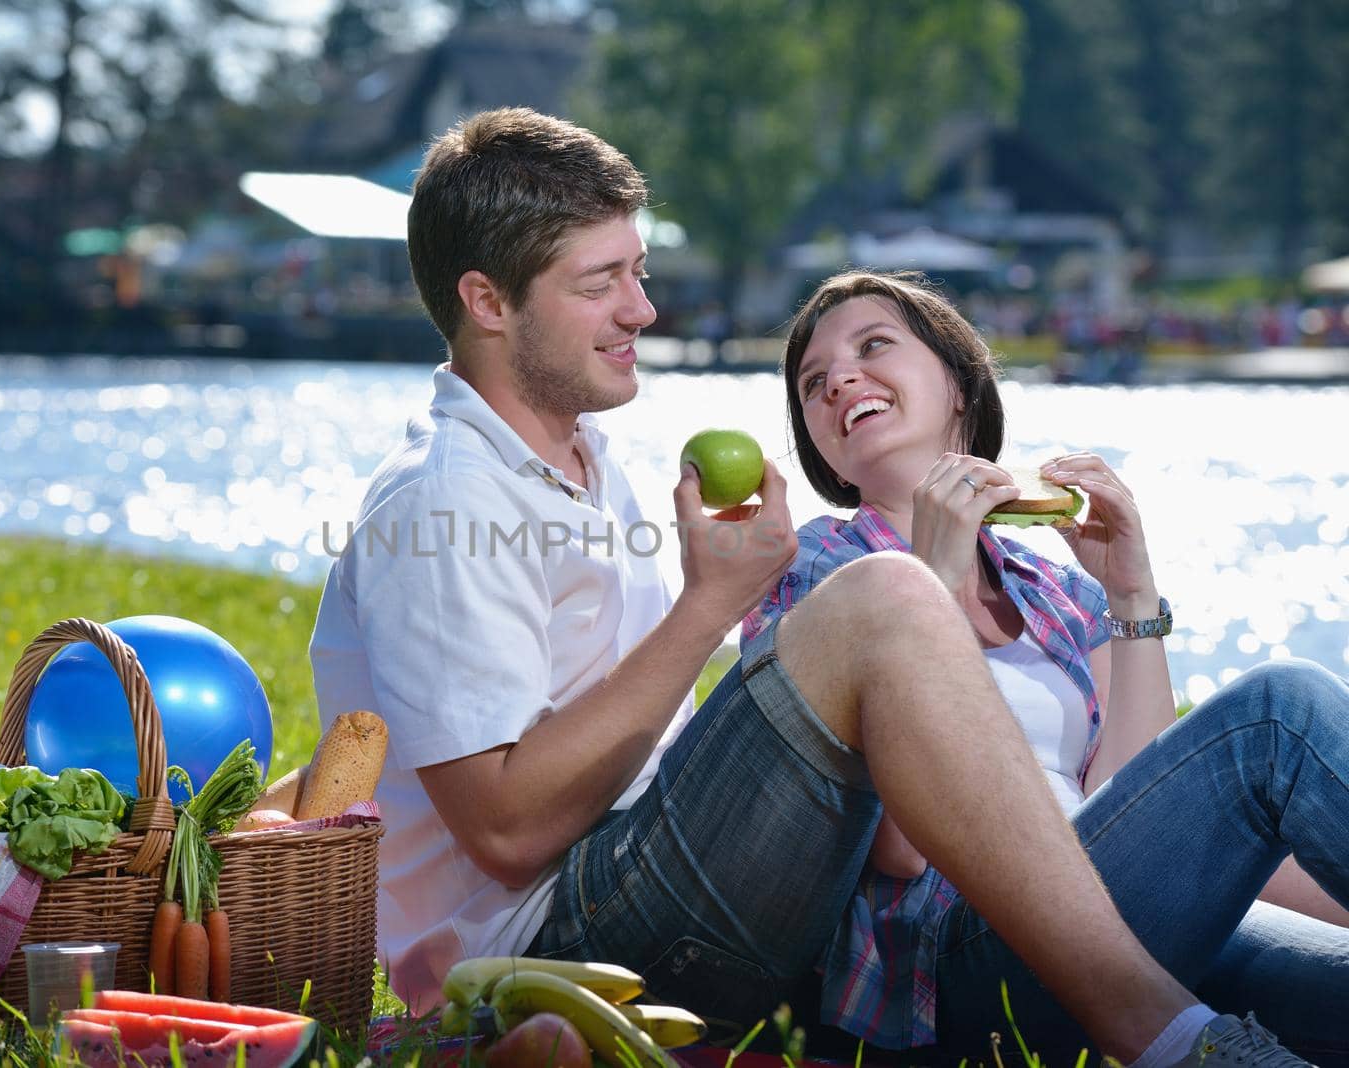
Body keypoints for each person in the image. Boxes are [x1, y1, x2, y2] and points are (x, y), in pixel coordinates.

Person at [307, 107, 1325, 1068]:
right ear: (487, 302)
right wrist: (714, 603)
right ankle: (1161, 1037)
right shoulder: (441, 500)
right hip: (557, 936)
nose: (644, 310)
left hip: (665, 883)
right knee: (1245, 705)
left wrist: (1130, 600)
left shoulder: (583, 462)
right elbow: (504, 828)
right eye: (599, 283)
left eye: (638, 271)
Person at [750, 267, 1349, 1060]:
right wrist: (928, 584)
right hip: (968, 948)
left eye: (873, 346)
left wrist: (1132, 595)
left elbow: (1124, 798)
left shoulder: (1054, 587)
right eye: (813, 382)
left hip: (1128, 918)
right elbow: (898, 850)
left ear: (959, 384)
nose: (841, 380)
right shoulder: (813, 575)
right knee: (1281, 711)